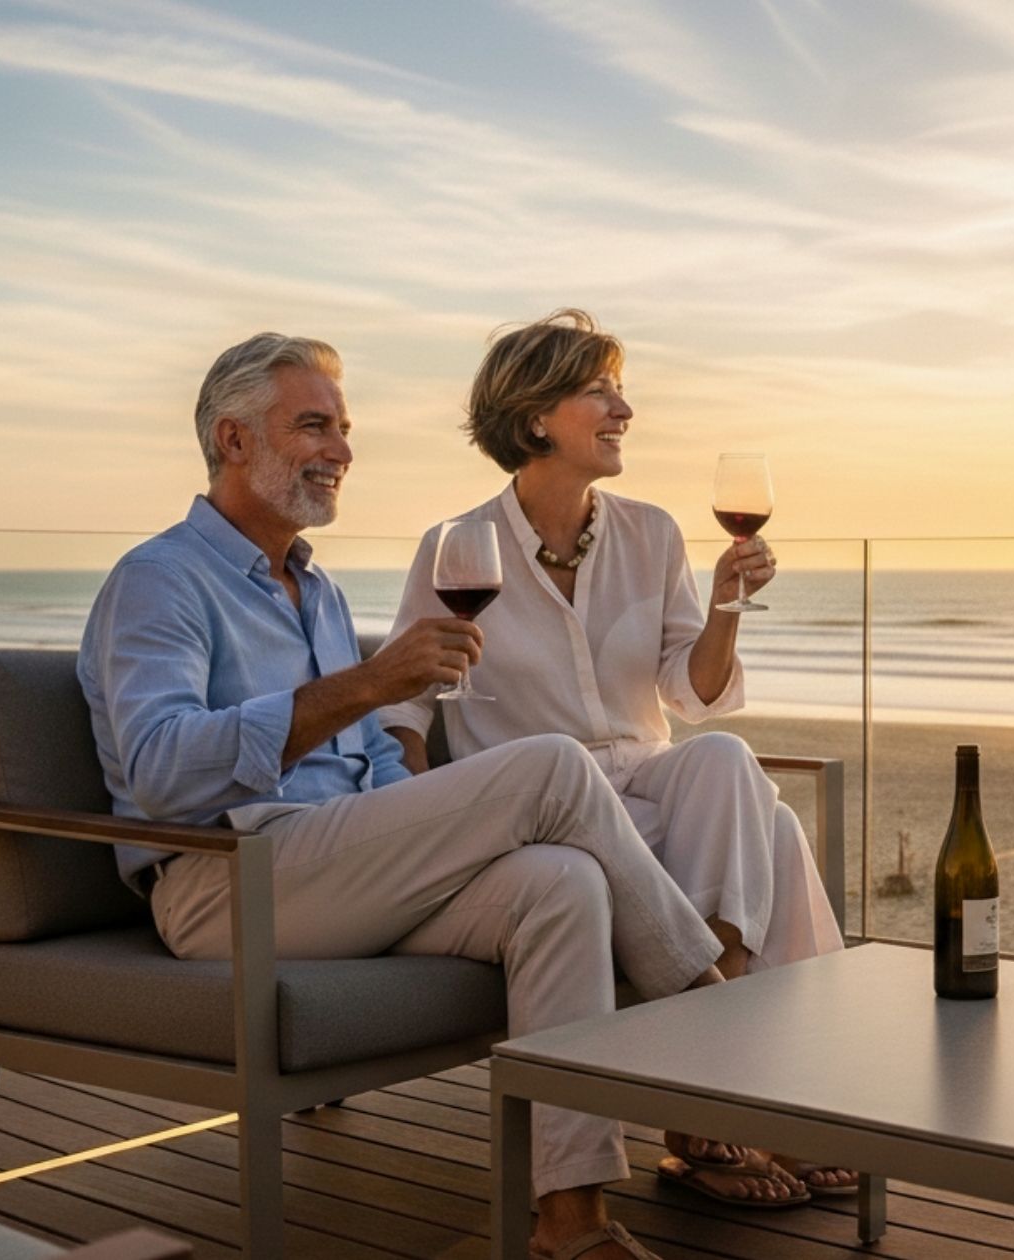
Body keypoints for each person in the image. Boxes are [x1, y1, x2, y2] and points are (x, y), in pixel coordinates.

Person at [78, 331, 728, 1260]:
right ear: (232, 440)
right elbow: (158, 767)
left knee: (558, 883)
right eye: (314, 426)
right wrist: (366, 688)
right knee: (548, 765)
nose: (343, 450)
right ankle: (713, 1027)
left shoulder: (319, 593)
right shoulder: (160, 581)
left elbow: (376, 769)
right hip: (230, 884)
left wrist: (442, 814)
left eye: (344, 427)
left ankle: (570, 1225)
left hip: (336, 866)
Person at [379, 310, 856, 1202]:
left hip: (648, 781)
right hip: (543, 803)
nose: (624, 409)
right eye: (600, 391)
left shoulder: (652, 533)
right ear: (535, 420)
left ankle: (710, 1094)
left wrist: (725, 605)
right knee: (780, 835)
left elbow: (691, 693)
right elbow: (405, 698)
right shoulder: (457, 547)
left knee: (721, 762)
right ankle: (753, 1107)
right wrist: (419, 819)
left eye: (618, 389)